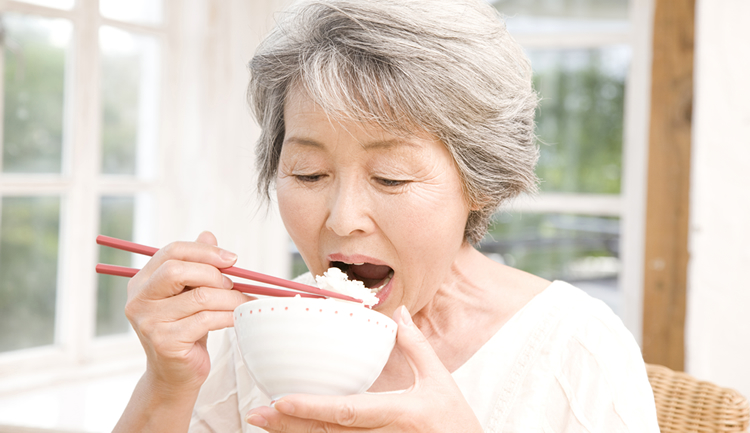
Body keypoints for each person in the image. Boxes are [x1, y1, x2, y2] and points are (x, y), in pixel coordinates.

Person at [114, 0, 660, 432]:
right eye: (308, 173)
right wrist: (166, 386)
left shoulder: (577, 348)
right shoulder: (259, 334)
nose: (344, 218)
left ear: (479, 181)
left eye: (391, 177)